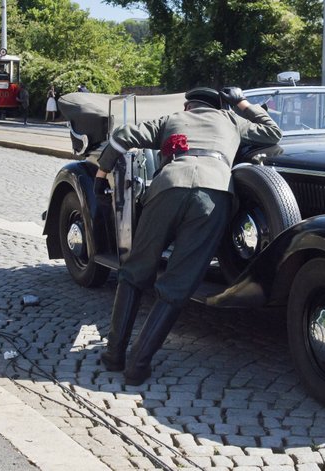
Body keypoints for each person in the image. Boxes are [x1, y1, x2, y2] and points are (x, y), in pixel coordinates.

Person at [96, 87, 281, 385]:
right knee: (178, 285)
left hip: (167, 187)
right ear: (222, 106)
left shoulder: (172, 119)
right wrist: (243, 103)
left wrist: (101, 174)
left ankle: (114, 355)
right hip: (213, 194)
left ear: (188, 106)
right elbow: (273, 133)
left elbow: (122, 136)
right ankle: (137, 367)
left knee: (133, 272)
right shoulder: (231, 120)